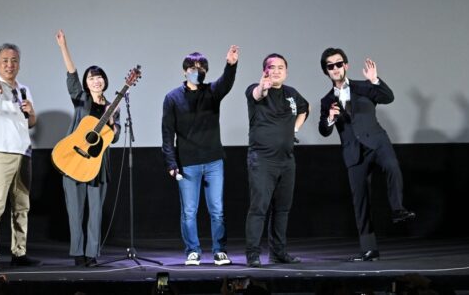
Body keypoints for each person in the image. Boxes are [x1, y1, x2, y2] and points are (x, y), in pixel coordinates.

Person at [318, 48, 416, 262]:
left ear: (346, 65)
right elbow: (324, 131)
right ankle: (369, 249)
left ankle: (398, 209)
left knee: (392, 166)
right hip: (353, 152)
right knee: (360, 200)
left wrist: (375, 80)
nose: (335, 68)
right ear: (326, 71)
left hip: (377, 142)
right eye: (330, 66)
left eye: (339, 63)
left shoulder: (363, 87)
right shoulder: (327, 101)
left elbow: (388, 97)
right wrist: (330, 118)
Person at [161, 45, 239, 266]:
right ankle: (192, 251)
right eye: (193, 68)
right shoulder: (172, 98)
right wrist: (171, 162)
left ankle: (219, 251)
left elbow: (226, 82)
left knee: (217, 210)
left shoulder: (212, 92)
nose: (197, 71)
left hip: (213, 161)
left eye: (202, 68)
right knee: (189, 211)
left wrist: (231, 65)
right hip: (187, 163)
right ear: (184, 71)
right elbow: (167, 133)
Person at [55, 30, 121, 266]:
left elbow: (114, 136)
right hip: (74, 161)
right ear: (86, 83)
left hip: (97, 166)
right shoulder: (81, 98)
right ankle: (78, 253)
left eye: (99, 77)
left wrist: (112, 123)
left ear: (105, 81)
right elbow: (71, 75)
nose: (96, 81)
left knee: (96, 212)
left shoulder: (113, 106)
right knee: (75, 211)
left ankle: (92, 253)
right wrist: (64, 47)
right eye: (92, 78)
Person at [0, 43, 41, 270]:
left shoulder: (24, 89)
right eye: (5, 61)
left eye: (14, 60)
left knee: (21, 206)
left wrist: (31, 112)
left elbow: (31, 123)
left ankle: (19, 253)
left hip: (23, 153)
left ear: (19, 64)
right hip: (0, 153)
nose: (9, 65)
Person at [245, 53, 309, 267]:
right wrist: (263, 87)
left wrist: (294, 129)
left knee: (282, 209)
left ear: (286, 72)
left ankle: (278, 252)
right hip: (262, 160)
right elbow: (258, 94)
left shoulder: (291, 93)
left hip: (287, 160)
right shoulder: (255, 89)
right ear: (265, 71)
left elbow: (305, 108)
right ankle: (253, 254)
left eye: (280, 67)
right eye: (271, 67)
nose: (276, 71)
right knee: (259, 208)